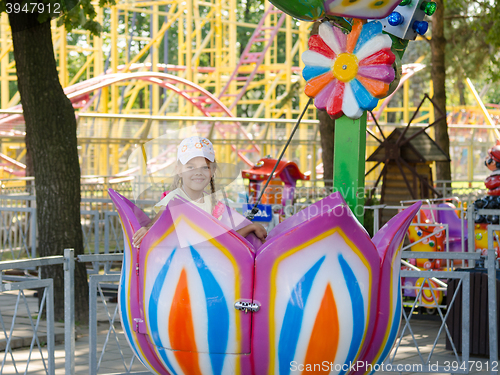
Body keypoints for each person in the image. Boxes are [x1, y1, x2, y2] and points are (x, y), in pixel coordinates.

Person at [132, 136, 267, 247]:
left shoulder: (213, 204)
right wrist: (147, 231)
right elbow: (154, 225)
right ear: (179, 169)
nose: (198, 172)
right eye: (190, 167)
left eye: (204, 167)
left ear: (212, 171)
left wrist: (251, 228)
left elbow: (224, 239)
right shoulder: (174, 198)